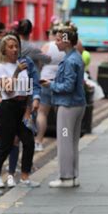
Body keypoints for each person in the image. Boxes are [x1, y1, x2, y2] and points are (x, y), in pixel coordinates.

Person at [0, 34, 41, 195]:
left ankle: (25, 177)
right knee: (5, 147)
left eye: (16, 46)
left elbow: (26, 89)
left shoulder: (22, 65)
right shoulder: (0, 67)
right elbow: (7, 90)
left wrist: (28, 109)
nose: (15, 49)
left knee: (29, 142)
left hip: (21, 108)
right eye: (11, 47)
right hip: (8, 108)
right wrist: (15, 72)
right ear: (4, 50)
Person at [40, 26, 86, 188]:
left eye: (59, 40)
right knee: (72, 142)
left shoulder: (69, 60)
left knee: (65, 142)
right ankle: (73, 176)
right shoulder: (76, 57)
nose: (56, 42)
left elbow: (67, 86)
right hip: (77, 104)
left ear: (66, 42)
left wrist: (50, 85)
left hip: (68, 105)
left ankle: (66, 178)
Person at [35, 26, 65, 152]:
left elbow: (40, 62)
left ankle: (39, 141)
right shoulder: (65, 46)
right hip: (60, 81)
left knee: (42, 113)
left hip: (45, 80)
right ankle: (62, 142)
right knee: (61, 114)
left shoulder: (47, 46)